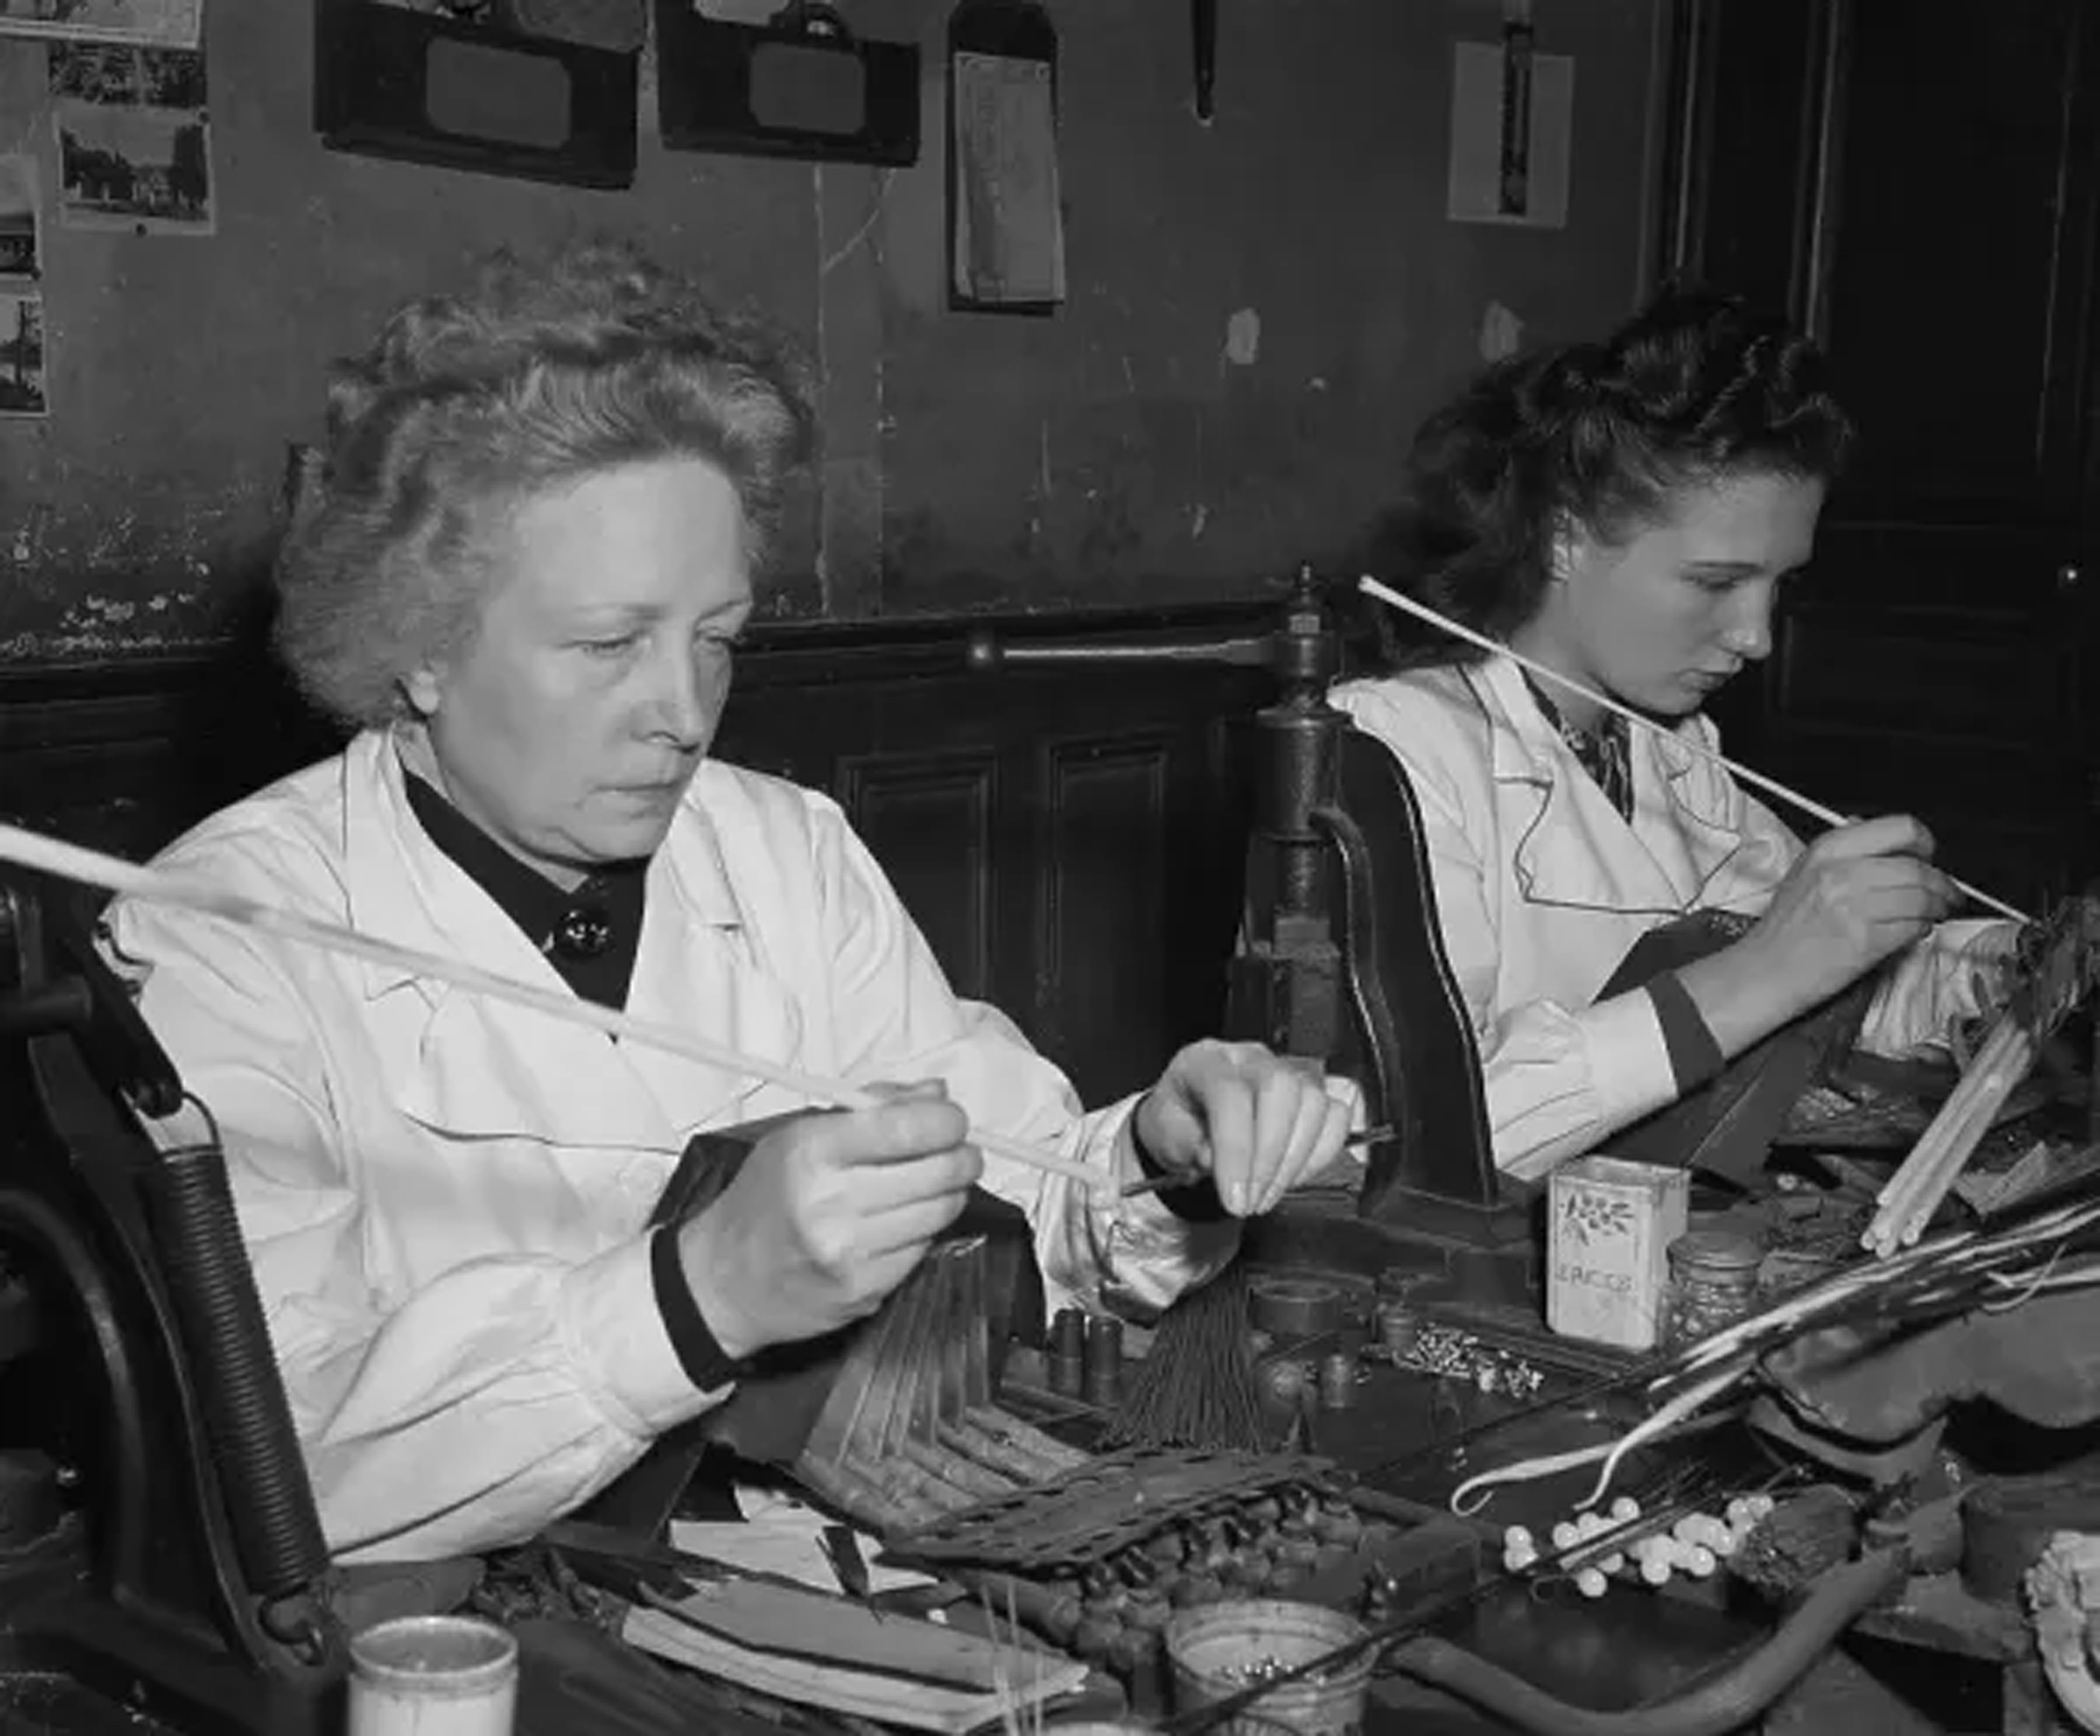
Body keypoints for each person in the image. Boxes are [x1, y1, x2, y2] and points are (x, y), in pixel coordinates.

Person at [99, 243, 1354, 1566]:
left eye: (718, 641)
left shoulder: (782, 851)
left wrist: (1157, 1162)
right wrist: (698, 1298)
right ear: (417, 646)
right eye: (608, 646)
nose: (685, 715)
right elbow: (272, 1457)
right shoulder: (215, 937)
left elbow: (1017, 1202)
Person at [1331, 287, 2014, 1184]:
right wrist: (1765, 973)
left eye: (1778, 586)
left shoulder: (1671, 753)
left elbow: (1848, 987)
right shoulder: (1393, 748)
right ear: (1564, 537)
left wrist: (2013, 969)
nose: (1757, 637)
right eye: (1715, 583)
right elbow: (1402, 1145)